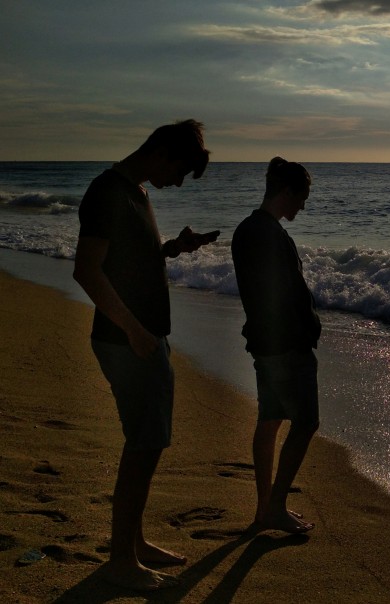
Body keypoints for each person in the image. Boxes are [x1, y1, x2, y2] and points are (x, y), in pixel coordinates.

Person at [73, 119, 213, 591]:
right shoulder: (107, 192)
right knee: (143, 446)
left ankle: (133, 544)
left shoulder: (138, 193)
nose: (179, 183)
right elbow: (87, 271)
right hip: (127, 340)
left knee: (148, 443)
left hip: (144, 336)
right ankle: (120, 560)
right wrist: (133, 330)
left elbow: (130, 261)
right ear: (161, 152)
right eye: (180, 171)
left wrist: (173, 248)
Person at [231, 157, 321, 534]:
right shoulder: (267, 233)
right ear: (286, 192)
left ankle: (265, 507)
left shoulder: (248, 229)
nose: (303, 206)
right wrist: (306, 328)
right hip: (285, 345)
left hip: (265, 343)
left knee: (270, 419)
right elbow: (282, 294)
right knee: (305, 422)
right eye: (302, 198)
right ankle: (275, 506)